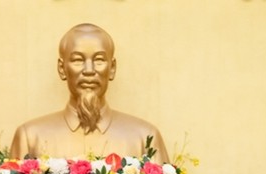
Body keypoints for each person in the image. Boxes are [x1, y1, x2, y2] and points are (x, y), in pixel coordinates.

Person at [10, 23, 170, 163]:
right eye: (77, 60)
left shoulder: (144, 138)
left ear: (112, 68)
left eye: (99, 60)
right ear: (62, 68)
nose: (89, 70)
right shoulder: (30, 137)